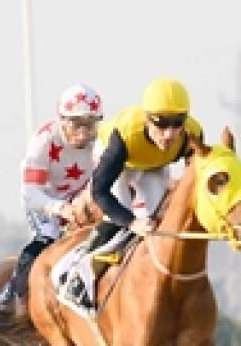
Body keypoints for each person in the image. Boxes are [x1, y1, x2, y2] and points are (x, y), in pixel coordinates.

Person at [58, 77, 204, 317]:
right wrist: (130, 221)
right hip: (119, 161)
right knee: (121, 215)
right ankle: (77, 274)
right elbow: (99, 192)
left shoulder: (192, 133)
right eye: (161, 124)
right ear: (147, 119)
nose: (169, 135)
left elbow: (194, 176)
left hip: (154, 167)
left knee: (157, 220)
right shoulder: (125, 135)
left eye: (177, 123)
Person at [0, 84, 102, 318]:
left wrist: (84, 202)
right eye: (76, 125)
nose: (83, 134)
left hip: (80, 198)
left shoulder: (99, 142)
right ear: (62, 121)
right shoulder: (44, 140)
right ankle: (12, 293)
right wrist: (60, 208)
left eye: (89, 125)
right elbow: (32, 192)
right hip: (44, 199)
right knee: (48, 237)